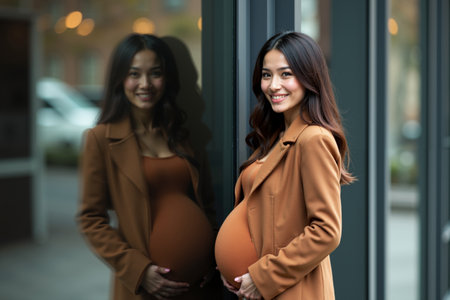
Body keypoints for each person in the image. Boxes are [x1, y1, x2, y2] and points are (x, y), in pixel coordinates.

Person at [77, 33, 220, 300]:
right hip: (148, 290)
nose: (145, 84)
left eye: (155, 73)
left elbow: (208, 205)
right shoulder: (100, 139)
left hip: (202, 286)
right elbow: (90, 219)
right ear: (120, 79)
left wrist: (211, 255)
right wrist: (139, 272)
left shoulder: (183, 134)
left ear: (167, 78)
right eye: (134, 74)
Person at [215, 31, 355, 300]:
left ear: (309, 77)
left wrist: (262, 277)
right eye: (267, 75)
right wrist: (228, 263)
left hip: (291, 291)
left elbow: (326, 232)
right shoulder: (275, 136)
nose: (273, 85)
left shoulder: (313, 139)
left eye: (286, 74)